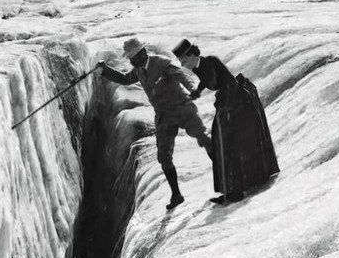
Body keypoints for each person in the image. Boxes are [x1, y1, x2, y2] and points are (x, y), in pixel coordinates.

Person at [98, 38, 212, 210]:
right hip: (164, 116)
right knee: (164, 156)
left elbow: (181, 75)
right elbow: (125, 79)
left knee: (203, 139)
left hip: (182, 109)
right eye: (130, 58)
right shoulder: (138, 70)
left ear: (142, 53)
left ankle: (223, 175)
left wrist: (192, 89)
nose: (131, 61)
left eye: (133, 57)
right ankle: (176, 195)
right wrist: (105, 70)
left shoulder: (162, 64)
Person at [175, 40, 280, 204]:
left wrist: (229, 109)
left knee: (231, 145)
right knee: (222, 145)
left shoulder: (210, 61)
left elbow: (221, 81)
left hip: (238, 102)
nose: (182, 64)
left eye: (183, 59)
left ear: (191, 55)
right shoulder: (198, 67)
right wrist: (197, 91)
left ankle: (237, 190)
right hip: (227, 102)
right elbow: (207, 80)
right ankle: (231, 189)